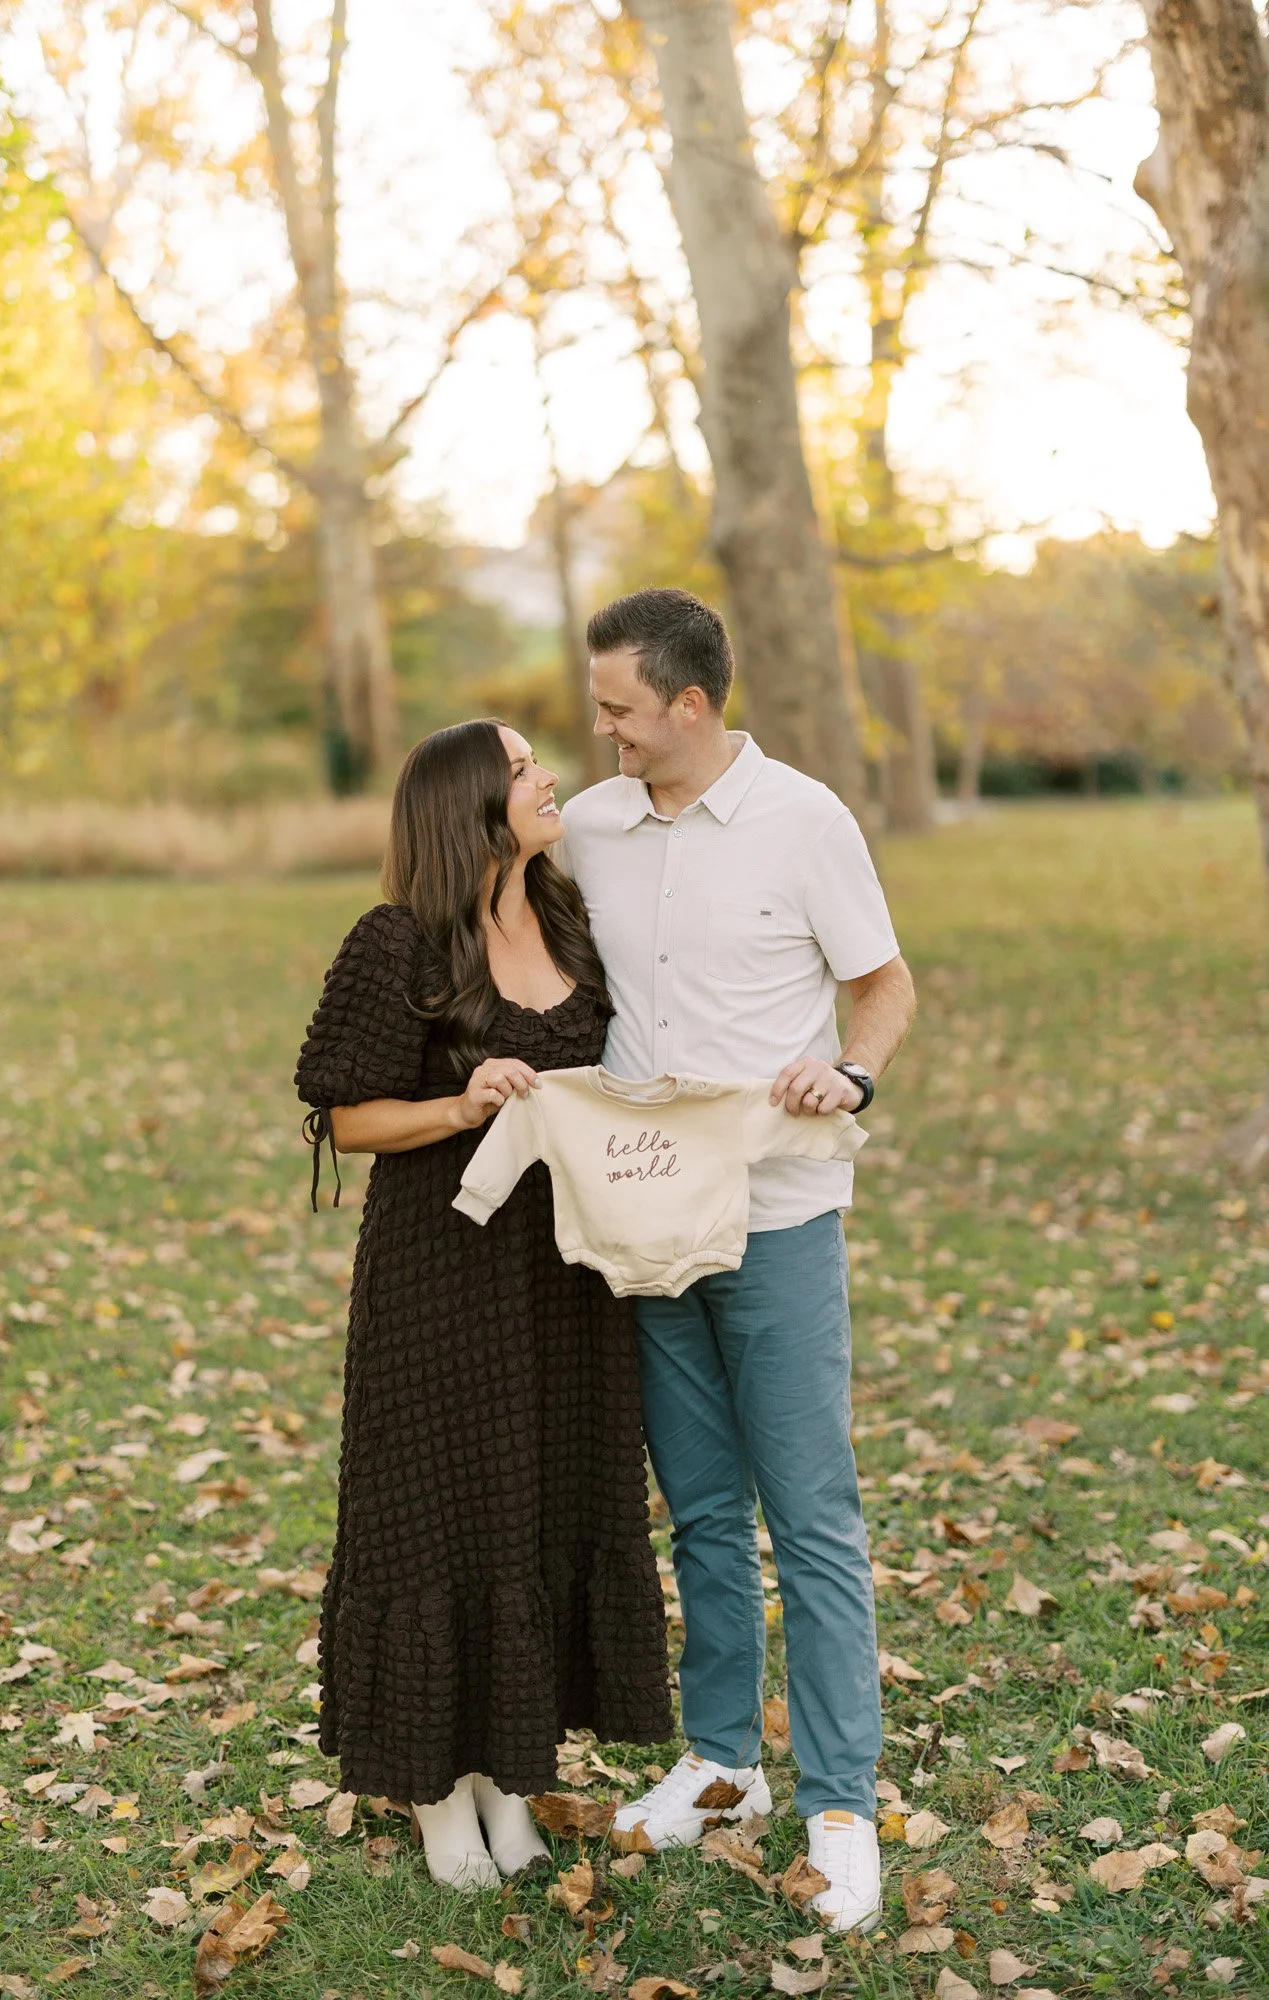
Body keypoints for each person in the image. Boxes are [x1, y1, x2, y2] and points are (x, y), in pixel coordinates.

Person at [558, 588, 917, 1934]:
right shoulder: (591, 827)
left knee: (810, 1516)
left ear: (690, 703)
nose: (603, 728)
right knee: (702, 1510)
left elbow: (884, 985)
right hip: (646, 1215)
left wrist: (852, 1070)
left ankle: (839, 1804)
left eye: (620, 708)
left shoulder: (805, 821)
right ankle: (720, 1765)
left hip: (778, 1213)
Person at [294, 719, 672, 1891]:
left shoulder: (567, 922)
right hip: (442, 1270)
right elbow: (346, 1115)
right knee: (436, 1508)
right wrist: (462, 1103)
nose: (548, 774)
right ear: (468, 806)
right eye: (519, 768)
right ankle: (431, 1787)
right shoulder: (396, 940)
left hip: (566, 1276)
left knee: (538, 1497)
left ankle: (510, 1771)